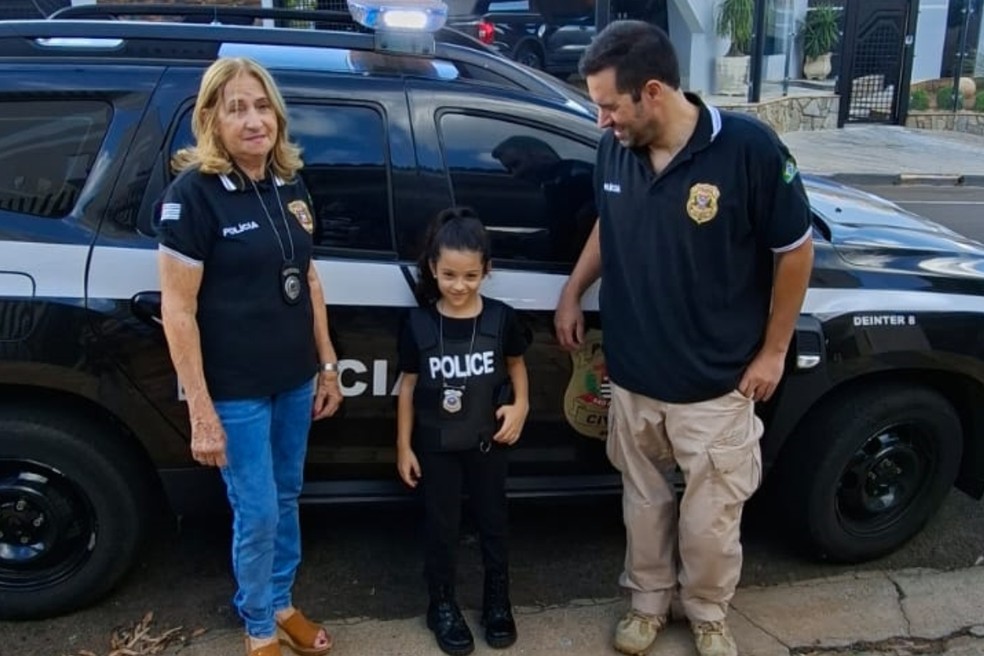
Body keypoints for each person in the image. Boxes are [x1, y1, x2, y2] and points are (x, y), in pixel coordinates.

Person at [554, 21, 814, 656]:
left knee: (710, 522)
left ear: (652, 92)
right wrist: (572, 289)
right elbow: (607, 225)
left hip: (715, 384)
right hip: (634, 375)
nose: (601, 121)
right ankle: (646, 604)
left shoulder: (749, 149)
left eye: (609, 106)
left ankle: (706, 612)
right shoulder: (616, 147)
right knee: (642, 506)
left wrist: (774, 351)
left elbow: (795, 249)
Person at [157, 57, 342, 656]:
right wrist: (202, 414)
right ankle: (258, 627)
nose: (254, 119)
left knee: (287, 498)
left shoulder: (288, 182)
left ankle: (282, 601)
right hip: (235, 390)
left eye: (262, 106)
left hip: (292, 380)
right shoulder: (193, 196)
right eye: (236, 108)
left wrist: (328, 364)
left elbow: (307, 279)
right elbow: (178, 310)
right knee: (258, 511)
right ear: (212, 118)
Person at [395, 207, 530, 656]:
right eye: (449, 274)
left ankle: (497, 601)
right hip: (435, 446)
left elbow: (516, 364)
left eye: (471, 275)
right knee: (442, 527)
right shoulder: (417, 324)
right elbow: (409, 387)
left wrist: (521, 406)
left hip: (487, 441)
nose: (459, 285)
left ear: (487, 272)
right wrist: (403, 447)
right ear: (433, 268)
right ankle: (443, 605)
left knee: (494, 524)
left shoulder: (500, 318)